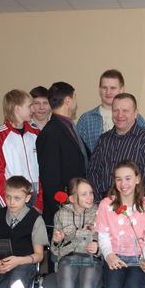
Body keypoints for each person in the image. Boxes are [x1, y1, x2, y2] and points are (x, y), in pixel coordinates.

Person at [88, 93, 145, 201]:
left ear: (135, 113)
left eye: (125, 111)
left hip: (133, 207)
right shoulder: (103, 140)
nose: (120, 115)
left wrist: (127, 206)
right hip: (102, 204)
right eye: (116, 110)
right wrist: (102, 202)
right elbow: (92, 172)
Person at [36, 82, 87, 228]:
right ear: (68, 101)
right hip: (63, 212)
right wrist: (64, 210)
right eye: (75, 97)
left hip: (76, 205)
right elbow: (50, 179)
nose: (76, 102)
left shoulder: (69, 126)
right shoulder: (50, 133)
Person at [0, 89, 43, 209]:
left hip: (36, 198)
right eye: (29, 106)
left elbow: (43, 168)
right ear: (17, 108)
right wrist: (9, 205)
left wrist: (40, 202)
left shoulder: (36, 132)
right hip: (14, 199)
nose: (33, 110)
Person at [76, 69, 145, 155]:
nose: (108, 92)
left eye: (113, 88)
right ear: (99, 89)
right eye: (104, 88)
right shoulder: (86, 120)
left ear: (121, 89)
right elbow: (78, 153)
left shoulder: (137, 118)